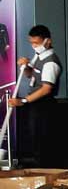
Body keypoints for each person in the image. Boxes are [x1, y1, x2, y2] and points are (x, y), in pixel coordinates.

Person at [9, 25, 61, 164]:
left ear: (47, 41)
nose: (34, 46)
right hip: (35, 104)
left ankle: (46, 170)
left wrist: (23, 101)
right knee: (35, 140)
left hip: (44, 105)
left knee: (42, 142)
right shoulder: (38, 56)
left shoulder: (51, 62)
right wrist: (26, 66)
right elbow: (30, 75)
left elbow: (46, 89)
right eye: (31, 43)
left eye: (36, 43)